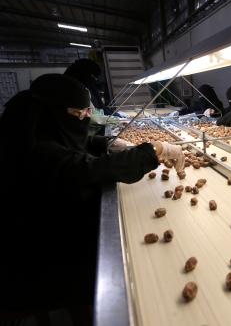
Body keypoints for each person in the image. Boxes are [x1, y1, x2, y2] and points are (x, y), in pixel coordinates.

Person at [0, 74, 184, 324]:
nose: (86, 118)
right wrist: (154, 150)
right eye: (80, 114)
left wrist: (109, 143)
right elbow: (89, 169)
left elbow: (80, 143)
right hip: (33, 261)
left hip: (43, 239)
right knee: (90, 285)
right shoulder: (35, 152)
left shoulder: (36, 133)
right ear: (55, 113)